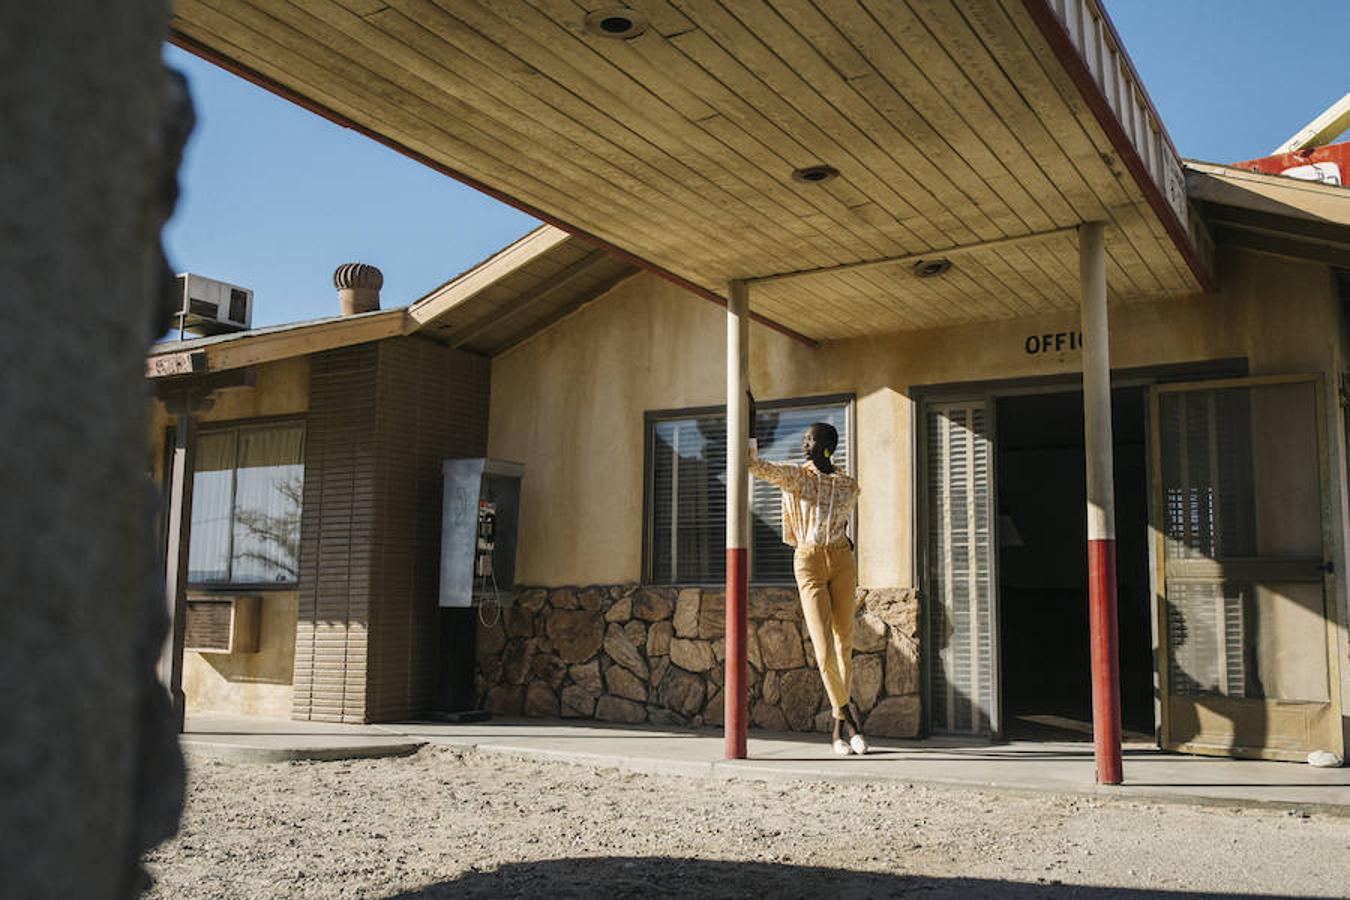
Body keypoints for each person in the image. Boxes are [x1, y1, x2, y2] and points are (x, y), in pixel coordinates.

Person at [749, 420, 867, 755]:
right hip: (809, 561)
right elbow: (755, 466)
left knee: (844, 644)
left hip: (842, 560)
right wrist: (751, 428)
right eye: (802, 439)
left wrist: (844, 540)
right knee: (823, 649)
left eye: (810, 440)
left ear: (828, 445)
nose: (804, 445)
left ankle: (837, 731)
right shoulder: (796, 477)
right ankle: (851, 723)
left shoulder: (848, 485)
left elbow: (841, 519)